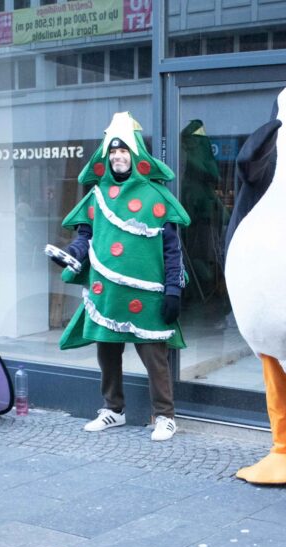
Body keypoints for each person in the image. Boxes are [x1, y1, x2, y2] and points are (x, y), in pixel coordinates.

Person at [48, 112, 189, 442]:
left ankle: (165, 416)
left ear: (135, 154)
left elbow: (172, 249)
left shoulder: (156, 197)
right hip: (107, 291)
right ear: (105, 157)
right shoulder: (97, 196)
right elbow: (86, 236)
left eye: (123, 151)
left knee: (155, 357)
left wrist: (173, 290)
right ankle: (113, 409)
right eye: (112, 152)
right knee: (107, 351)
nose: (118, 157)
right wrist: (72, 254)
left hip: (148, 294)